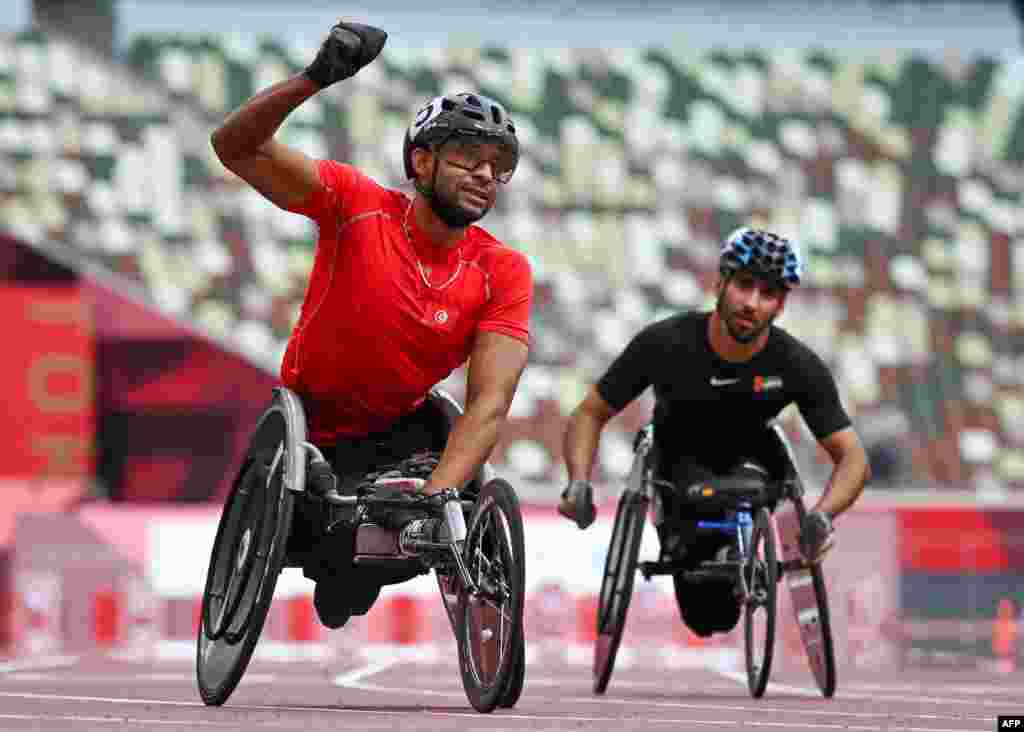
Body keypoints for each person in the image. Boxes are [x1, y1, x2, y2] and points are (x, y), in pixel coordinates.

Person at [211, 21, 532, 629]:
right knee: (339, 556)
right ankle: (342, 561)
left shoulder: (503, 271)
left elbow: (489, 402)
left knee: (361, 570)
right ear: (422, 160)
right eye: (469, 157)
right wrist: (314, 79)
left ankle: (355, 569)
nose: (486, 175)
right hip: (312, 432)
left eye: (498, 165)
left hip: (403, 442)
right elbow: (234, 146)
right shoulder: (355, 204)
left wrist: (439, 493)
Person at [558, 227, 870, 637]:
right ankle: (706, 552)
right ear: (719, 282)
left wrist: (823, 517)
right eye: (743, 285)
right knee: (707, 617)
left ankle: (741, 547)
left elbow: (854, 458)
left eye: (769, 294)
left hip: (756, 467)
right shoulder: (665, 342)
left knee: (751, 490)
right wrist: (578, 483)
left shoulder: (796, 364)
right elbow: (588, 414)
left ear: (781, 305)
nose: (752, 303)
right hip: (677, 469)